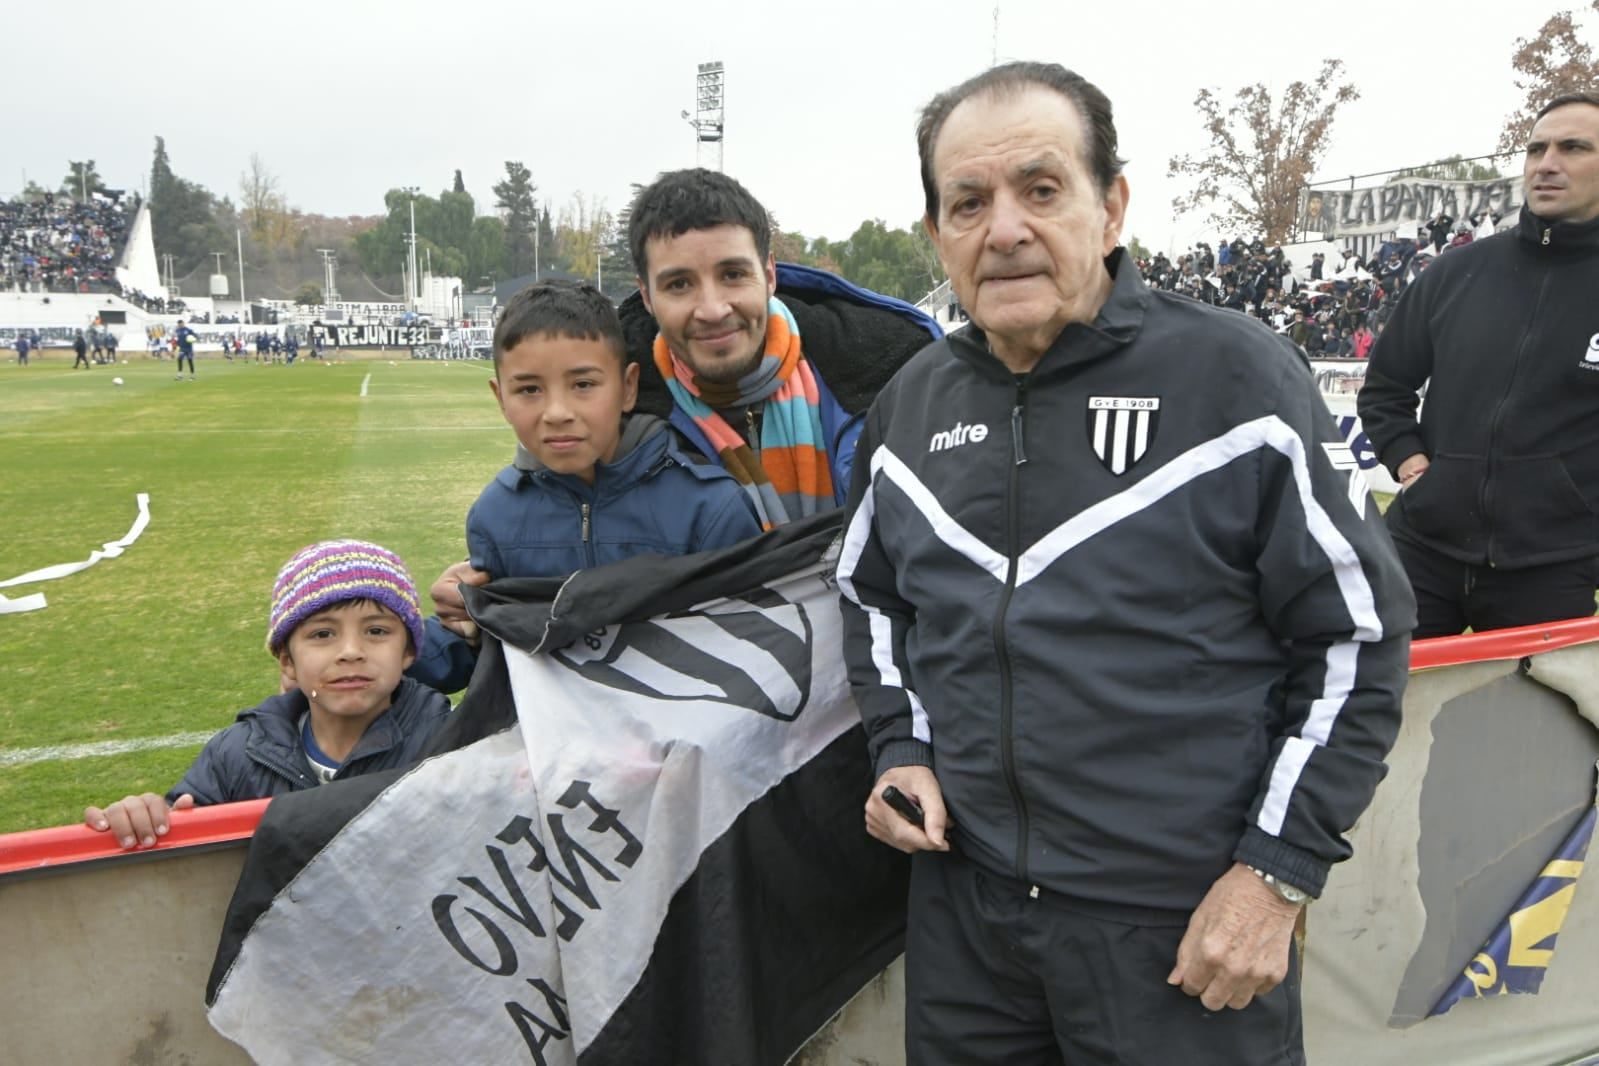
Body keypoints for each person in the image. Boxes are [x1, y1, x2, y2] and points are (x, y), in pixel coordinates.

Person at [837, 61, 1414, 1064]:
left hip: (1178, 928)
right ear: (938, 236)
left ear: (1111, 209)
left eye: (1041, 189)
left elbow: (1357, 639)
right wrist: (901, 749)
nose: (1004, 227)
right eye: (967, 202)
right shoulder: (910, 407)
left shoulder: (1238, 379)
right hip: (968, 923)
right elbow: (871, 599)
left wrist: (1275, 871)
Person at [426, 169, 939, 647]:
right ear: (646, 297)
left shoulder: (891, 372)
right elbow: (570, 515)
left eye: (733, 275)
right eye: (679, 284)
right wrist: (489, 591)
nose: (712, 308)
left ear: (770, 275)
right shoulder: (616, 397)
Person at [408, 280, 764, 692]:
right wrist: (440, 628)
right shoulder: (495, 514)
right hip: (555, 751)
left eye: (583, 385)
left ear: (627, 387)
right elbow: (491, 654)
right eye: (529, 390)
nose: (557, 412)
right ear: (500, 398)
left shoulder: (709, 506)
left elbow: (756, 646)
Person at [1358, 92, 1599, 638]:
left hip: (1552, 566)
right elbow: (1386, 387)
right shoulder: (1456, 272)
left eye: (1573, 148)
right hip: (1421, 546)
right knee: (1377, 709)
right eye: (1537, 149)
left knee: (1533, 725)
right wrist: (1411, 466)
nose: (1548, 163)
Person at [83, 540, 450, 849]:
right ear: (287, 662)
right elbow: (179, 837)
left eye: (376, 631)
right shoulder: (236, 755)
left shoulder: (453, 745)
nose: (350, 651)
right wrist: (143, 815)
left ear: (408, 653)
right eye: (322, 634)